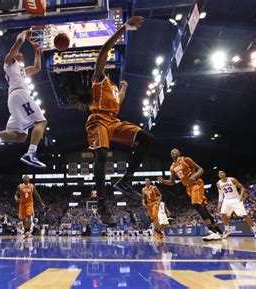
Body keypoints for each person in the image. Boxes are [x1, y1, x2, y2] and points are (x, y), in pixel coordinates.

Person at [87, 16, 154, 225]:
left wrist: (124, 88)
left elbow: (119, 100)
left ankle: (125, 180)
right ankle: (102, 205)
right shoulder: (99, 77)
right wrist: (123, 29)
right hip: (98, 121)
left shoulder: (114, 89)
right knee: (102, 154)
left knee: (147, 139)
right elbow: (104, 50)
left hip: (114, 122)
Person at [0, 30, 47, 169]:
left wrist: (38, 52)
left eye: (22, 55)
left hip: (16, 100)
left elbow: (37, 67)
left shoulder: (21, 71)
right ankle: (31, 154)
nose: (20, 54)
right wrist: (23, 34)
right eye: (19, 53)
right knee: (42, 122)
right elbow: (18, 44)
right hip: (19, 95)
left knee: (20, 136)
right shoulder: (9, 63)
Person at [157, 148, 223, 241]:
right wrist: (163, 180)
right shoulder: (172, 167)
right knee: (202, 207)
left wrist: (194, 176)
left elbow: (200, 169)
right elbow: (172, 182)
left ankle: (212, 231)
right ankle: (219, 232)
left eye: (175, 150)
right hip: (188, 188)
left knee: (196, 204)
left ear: (179, 153)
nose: (173, 152)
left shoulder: (185, 159)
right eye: (171, 151)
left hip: (196, 183)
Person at [216, 170, 256, 239]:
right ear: (219, 176)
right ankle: (227, 230)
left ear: (225, 173)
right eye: (219, 173)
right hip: (226, 200)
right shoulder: (218, 183)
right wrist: (219, 203)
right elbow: (221, 194)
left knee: (245, 215)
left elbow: (242, 188)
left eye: (222, 172)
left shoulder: (232, 179)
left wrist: (241, 195)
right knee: (222, 214)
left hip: (235, 199)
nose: (221, 174)